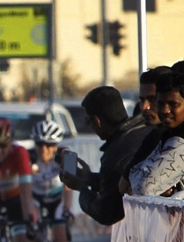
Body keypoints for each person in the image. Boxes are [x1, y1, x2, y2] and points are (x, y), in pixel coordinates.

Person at [65, 86, 153, 225]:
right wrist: (90, 178)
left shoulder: (114, 155)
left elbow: (106, 212)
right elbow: (118, 182)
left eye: (89, 121)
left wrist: (82, 189)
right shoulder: (146, 127)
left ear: (97, 120)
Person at [28, 121, 74, 242]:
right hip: (36, 201)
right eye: (40, 145)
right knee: (34, 241)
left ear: (56, 145)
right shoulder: (27, 157)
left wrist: (66, 210)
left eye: (49, 145)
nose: (44, 149)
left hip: (57, 202)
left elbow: (70, 186)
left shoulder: (68, 156)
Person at [126, 72, 184, 197]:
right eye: (160, 103)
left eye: (173, 104)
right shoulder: (167, 135)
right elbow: (133, 175)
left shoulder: (182, 141)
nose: (165, 110)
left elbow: (143, 187)